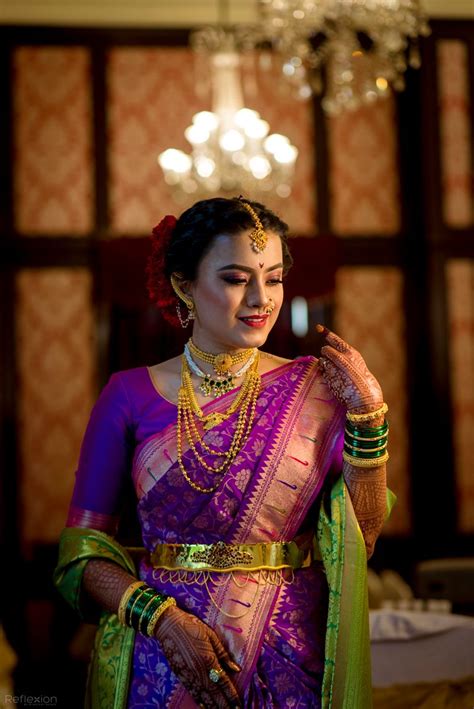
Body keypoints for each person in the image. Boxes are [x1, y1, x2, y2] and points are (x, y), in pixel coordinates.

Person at [54, 196, 393, 709]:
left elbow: (360, 539)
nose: (261, 298)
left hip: (291, 655)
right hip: (163, 657)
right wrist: (161, 620)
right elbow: (82, 555)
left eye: (274, 278)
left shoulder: (317, 391)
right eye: (236, 279)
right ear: (183, 284)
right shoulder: (127, 395)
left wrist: (369, 421)